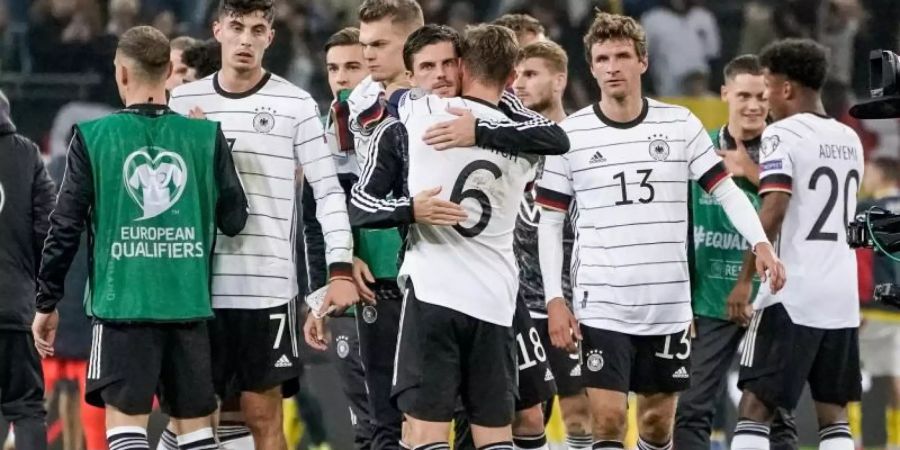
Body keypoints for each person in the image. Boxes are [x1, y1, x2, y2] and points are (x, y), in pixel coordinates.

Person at [536, 12, 784, 450]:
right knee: (609, 422)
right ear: (591, 67)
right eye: (602, 58)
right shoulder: (569, 136)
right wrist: (556, 297)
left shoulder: (680, 124)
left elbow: (725, 191)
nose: (613, 66)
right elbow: (551, 222)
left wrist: (760, 242)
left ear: (643, 62)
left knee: (655, 424)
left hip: (667, 305)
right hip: (602, 302)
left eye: (622, 56)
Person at [352, 24, 568, 450]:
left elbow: (394, 103)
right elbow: (555, 136)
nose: (440, 75)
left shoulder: (415, 114)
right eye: (427, 67)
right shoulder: (521, 136)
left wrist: (478, 130)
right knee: (490, 426)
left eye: (447, 63)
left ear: (463, 65)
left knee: (451, 425)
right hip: (480, 294)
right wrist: (410, 210)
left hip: (477, 296)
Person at [33, 25, 248, 450]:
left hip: (121, 307)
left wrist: (46, 302)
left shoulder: (93, 138)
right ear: (169, 70)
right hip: (188, 306)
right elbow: (235, 219)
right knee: (195, 429)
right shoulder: (205, 136)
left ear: (122, 74)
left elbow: (64, 227)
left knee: (126, 425)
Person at [168, 1, 359, 450]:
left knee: (262, 413)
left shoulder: (295, 104)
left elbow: (328, 193)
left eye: (257, 29)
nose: (246, 39)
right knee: (195, 415)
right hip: (198, 286)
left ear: (270, 38)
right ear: (217, 31)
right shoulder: (182, 102)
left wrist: (339, 267)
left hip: (266, 287)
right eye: (237, 27)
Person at [731, 38, 864, 450]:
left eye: (767, 86)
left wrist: (744, 279)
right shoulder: (850, 138)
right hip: (841, 295)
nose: (764, 98)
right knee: (833, 414)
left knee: (755, 407)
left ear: (786, 89)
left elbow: (773, 208)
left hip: (793, 292)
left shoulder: (782, 134)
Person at [674, 54, 797, 450]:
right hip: (710, 300)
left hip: (772, 298)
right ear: (725, 93)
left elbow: (805, 212)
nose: (754, 105)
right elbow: (679, 223)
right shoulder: (700, 150)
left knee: (776, 415)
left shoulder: (785, 148)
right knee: (692, 408)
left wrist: (750, 172)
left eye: (762, 96)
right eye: (744, 94)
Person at [511, 40, 594, 450]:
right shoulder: (506, 140)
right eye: (516, 76)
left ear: (559, 79)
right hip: (514, 302)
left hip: (572, 300)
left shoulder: (580, 142)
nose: (520, 84)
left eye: (531, 75)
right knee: (522, 415)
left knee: (579, 415)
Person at [302, 26, 374, 450]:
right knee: (363, 423)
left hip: (392, 288)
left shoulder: (396, 123)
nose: (341, 78)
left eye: (352, 66)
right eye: (333, 68)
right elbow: (314, 222)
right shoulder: (320, 134)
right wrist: (319, 296)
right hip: (345, 295)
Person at [44, 131, 107, 450]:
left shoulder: (39, 180)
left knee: (28, 407)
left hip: (45, 317)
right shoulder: (103, 185)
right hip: (87, 320)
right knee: (94, 410)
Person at [0, 89, 54, 450]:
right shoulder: (26, 154)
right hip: (15, 307)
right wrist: (45, 296)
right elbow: (47, 232)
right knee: (27, 407)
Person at [857, 156, 900, 450]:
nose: (865, 177)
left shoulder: (868, 210)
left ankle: (856, 440)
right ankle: (893, 441)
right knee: (895, 377)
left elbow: (858, 261)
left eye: (869, 171)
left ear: (882, 175)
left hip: (875, 308)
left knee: (858, 375)